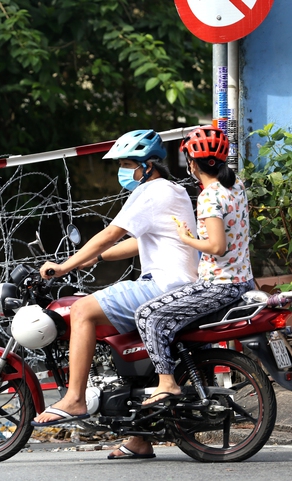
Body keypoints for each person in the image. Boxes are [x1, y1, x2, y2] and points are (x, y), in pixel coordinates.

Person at [32, 130, 199, 443]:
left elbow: (111, 233)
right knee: (127, 340)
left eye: (126, 164)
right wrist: (93, 258)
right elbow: (140, 241)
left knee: (82, 309)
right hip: (180, 283)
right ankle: (140, 439)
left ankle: (75, 398)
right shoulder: (173, 191)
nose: (123, 171)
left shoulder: (149, 192)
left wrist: (65, 266)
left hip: (163, 284)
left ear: (147, 166)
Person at [114, 126, 255, 459]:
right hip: (240, 281)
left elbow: (217, 246)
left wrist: (186, 238)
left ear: (192, 162)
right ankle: (142, 433)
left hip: (220, 286)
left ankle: (167, 383)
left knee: (147, 314)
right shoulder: (237, 189)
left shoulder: (210, 196)